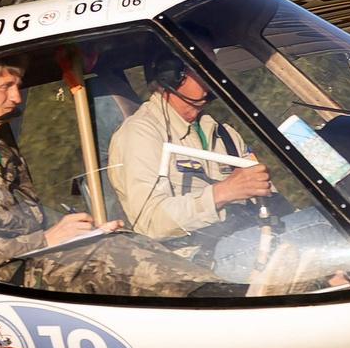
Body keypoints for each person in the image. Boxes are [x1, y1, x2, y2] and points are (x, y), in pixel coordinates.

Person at [0, 62, 220, 297]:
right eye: (6, 87)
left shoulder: (4, 149)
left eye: (18, 87)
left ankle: (220, 293)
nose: (16, 97)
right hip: (3, 281)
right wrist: (46, 239)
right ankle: (213, 304)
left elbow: (29, 216)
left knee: (124, 242)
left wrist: (86, 230)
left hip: (37, 258)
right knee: (115, 262)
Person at [109, 52, 274, 242]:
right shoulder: (140, 133)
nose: (214, 73)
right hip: (192, 255)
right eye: (204, 65)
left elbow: (270, 198)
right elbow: (150, 222)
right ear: (171, 74)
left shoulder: (225, 134)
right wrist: (223, 192)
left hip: (250, 239)